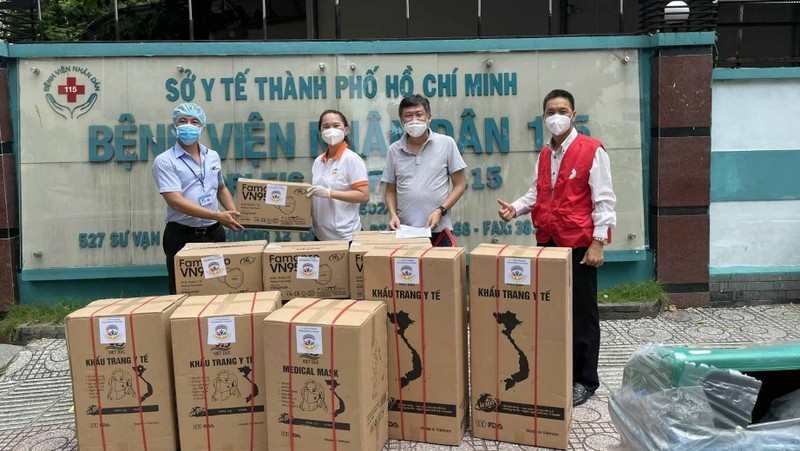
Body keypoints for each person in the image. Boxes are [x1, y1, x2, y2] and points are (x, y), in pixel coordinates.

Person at [497, 89, 616, 407]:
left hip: (578, 245)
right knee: (552, 311)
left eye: (562, 110)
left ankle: (586, 380)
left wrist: (598, 242)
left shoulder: (592, 150)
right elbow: (537, 193)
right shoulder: (545, 154)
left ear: (574, 115)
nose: (556, 116)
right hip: (547, 242)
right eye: (550, 111)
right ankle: (561, 370)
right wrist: (516, 209)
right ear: (543, 116)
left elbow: (604, 199)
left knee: (582, 314)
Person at [152, 103, 243, 294]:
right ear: (174, 126)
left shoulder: (213, 156)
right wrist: (218, 215)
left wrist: (232, 212)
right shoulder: (165, 161)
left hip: (214, 233)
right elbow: (175, 201)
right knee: (184, 292)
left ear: (202, 127)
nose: (188, 125)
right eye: (182, 121)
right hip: (182, 236)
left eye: (194, 121)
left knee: (218, 288)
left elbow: (221, 187)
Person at [381, 94, 467, 246]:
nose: (414, 119)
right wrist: (392, 215)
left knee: (442, 270)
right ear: (401, 121)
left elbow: (459, 185)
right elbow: (390, 190)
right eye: (408, 115)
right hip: (405, 231)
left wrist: (441, 210)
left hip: (440, 230)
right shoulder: (394, 150)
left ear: (429, 118)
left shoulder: (446, 143)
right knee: (407, 270)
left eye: (419, 114)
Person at [306, 109, 370, 241]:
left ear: (345, 130)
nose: (331, 130)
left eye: (336, 126)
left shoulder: (352, 159)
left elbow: (364, 196)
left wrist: (330, 193)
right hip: (320, 236)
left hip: (346, 238)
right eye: (326, 126)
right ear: (321, 131)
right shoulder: (318, 162)